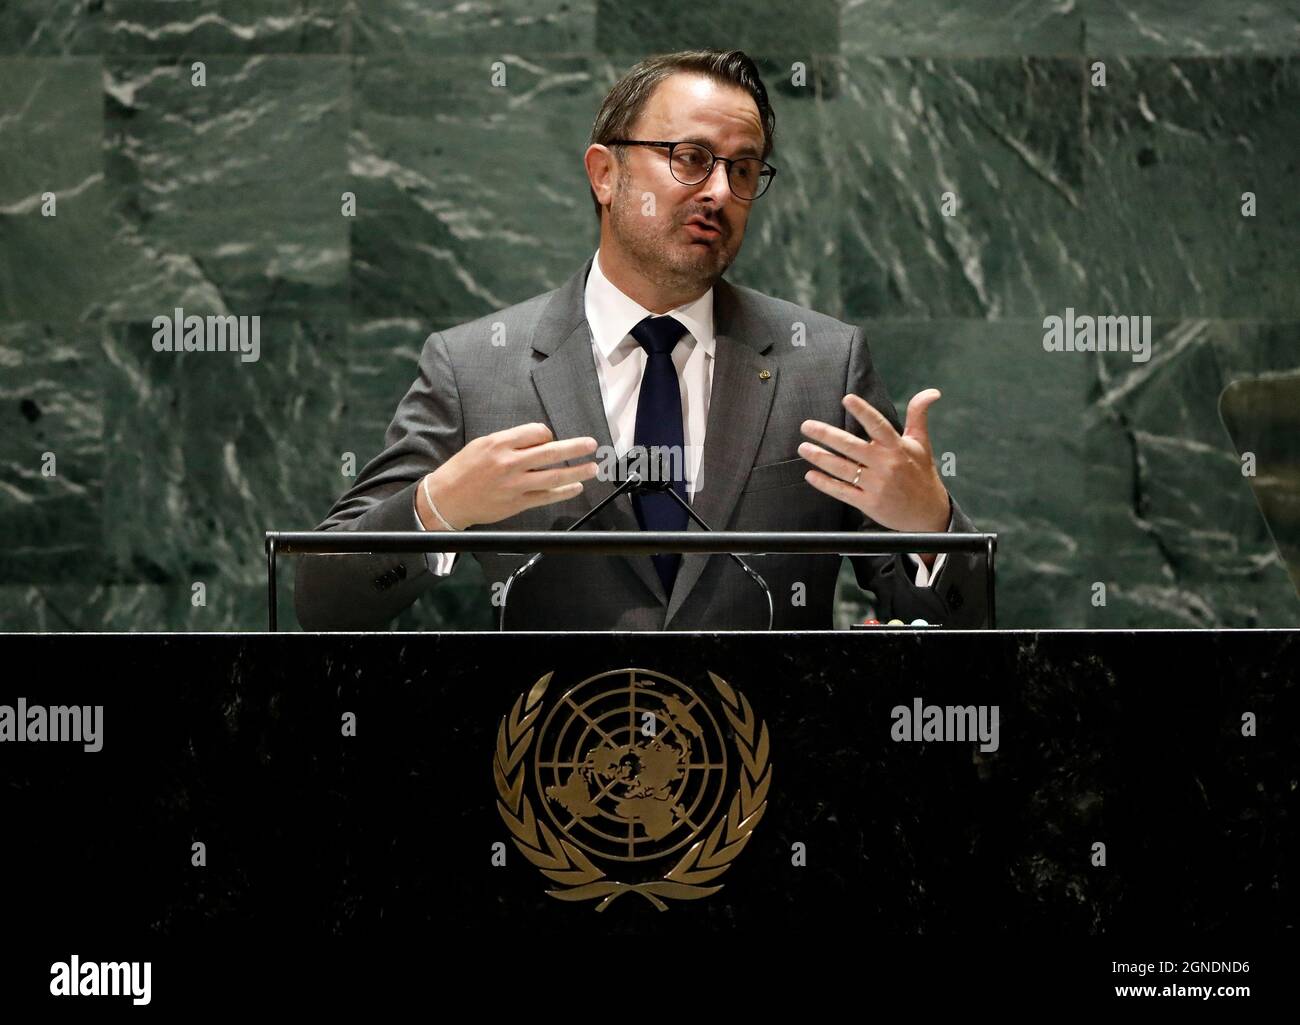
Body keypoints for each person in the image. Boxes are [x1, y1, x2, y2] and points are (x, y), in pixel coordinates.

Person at [294, 49, 987, 631]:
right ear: (605, 173)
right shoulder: (475, 368)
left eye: (743, 170)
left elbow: (969, 621)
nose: (719, 189)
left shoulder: (824, 364)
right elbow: (323, 601)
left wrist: (932, 525)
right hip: (551, 767)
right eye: (690, 158)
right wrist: (435, 508)